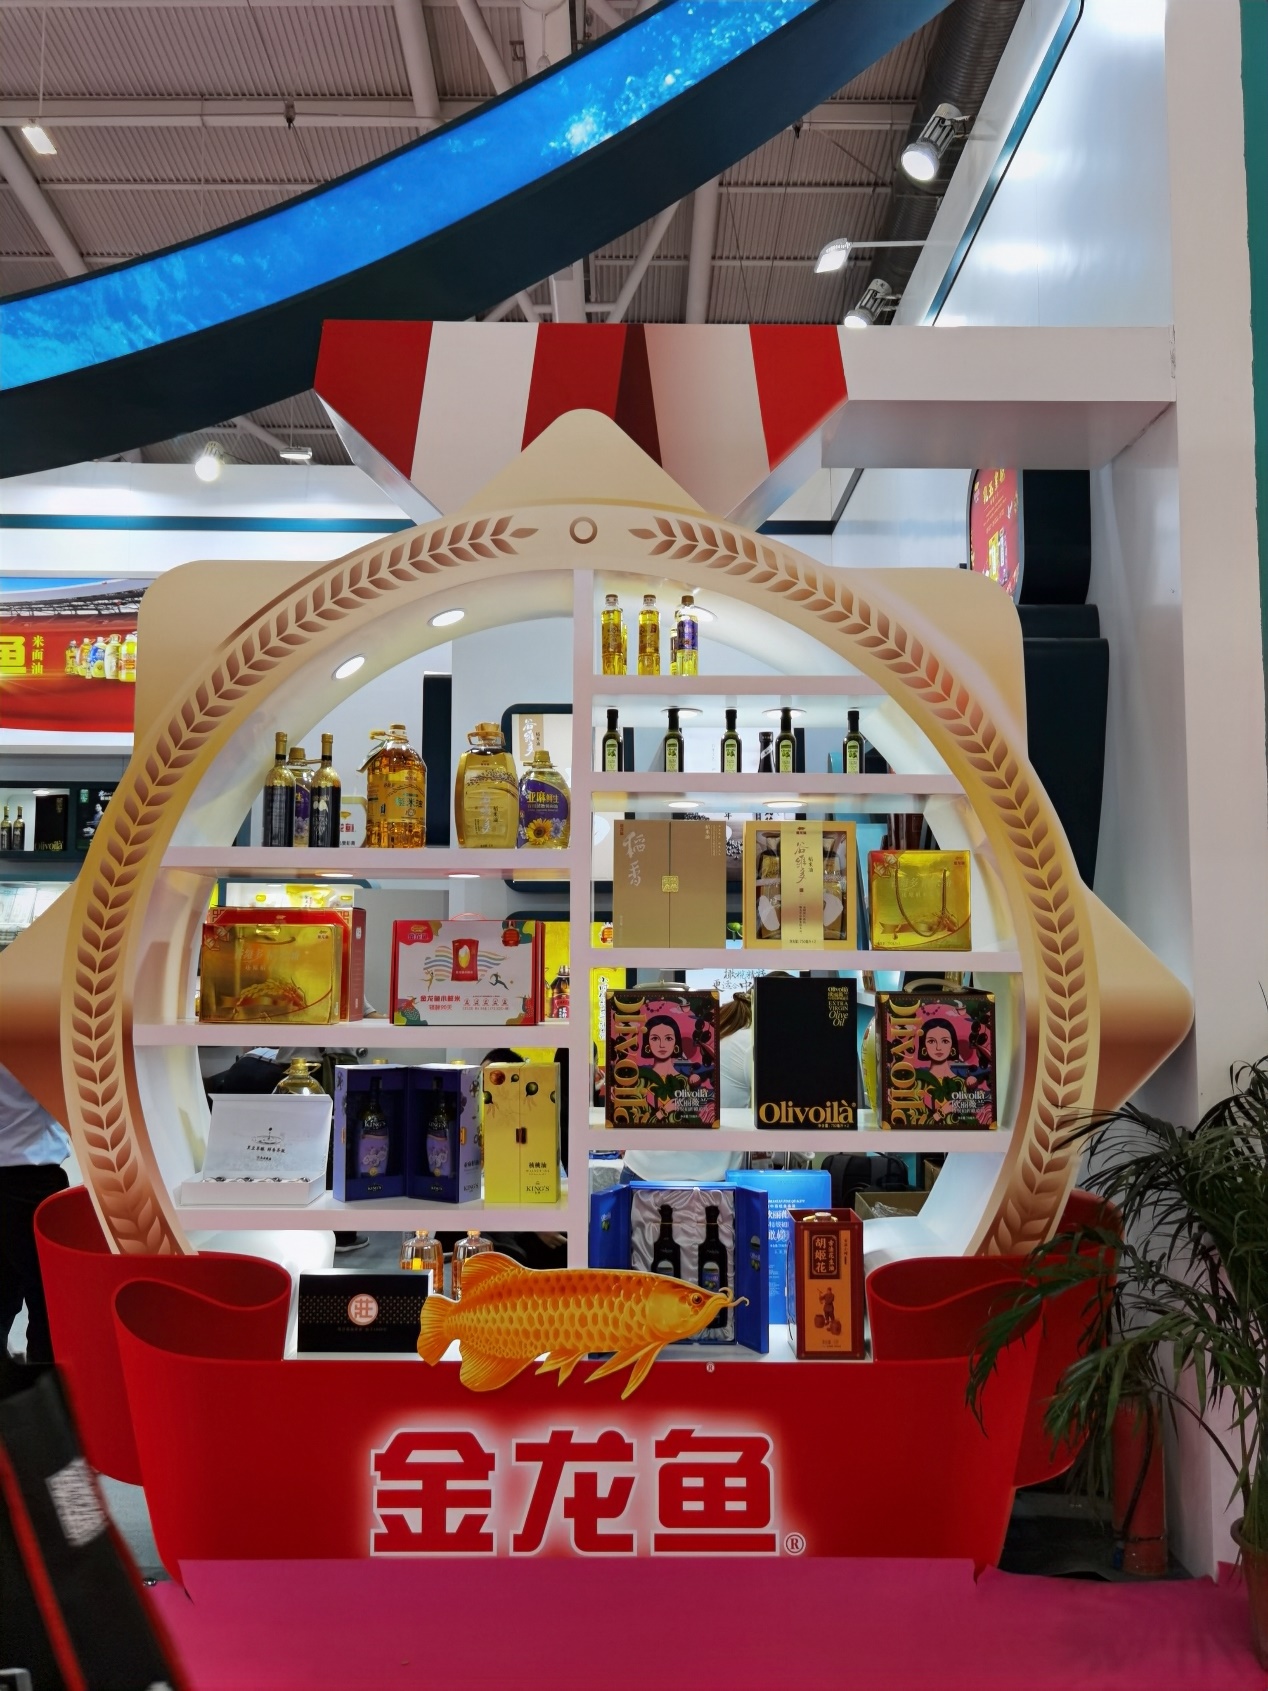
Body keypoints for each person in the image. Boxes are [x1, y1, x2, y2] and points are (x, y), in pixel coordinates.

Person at [0, 1062, 71, 1365]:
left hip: (23, 1172)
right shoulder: (33, 1036)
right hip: (31, 1175)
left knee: (7, 1294)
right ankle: (42, 1388)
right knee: (48, 1302)